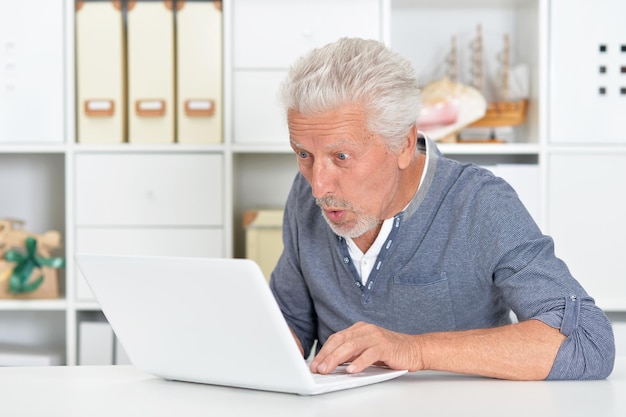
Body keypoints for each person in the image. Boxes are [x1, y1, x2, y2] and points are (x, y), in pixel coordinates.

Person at [269, 37, 615, 380]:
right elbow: (292, 323)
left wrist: (414, 350)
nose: (318, 185)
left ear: (404, 145)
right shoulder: (306, 195)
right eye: (303, 154)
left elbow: (587, 342)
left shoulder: (479, 203)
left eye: (341, 157)